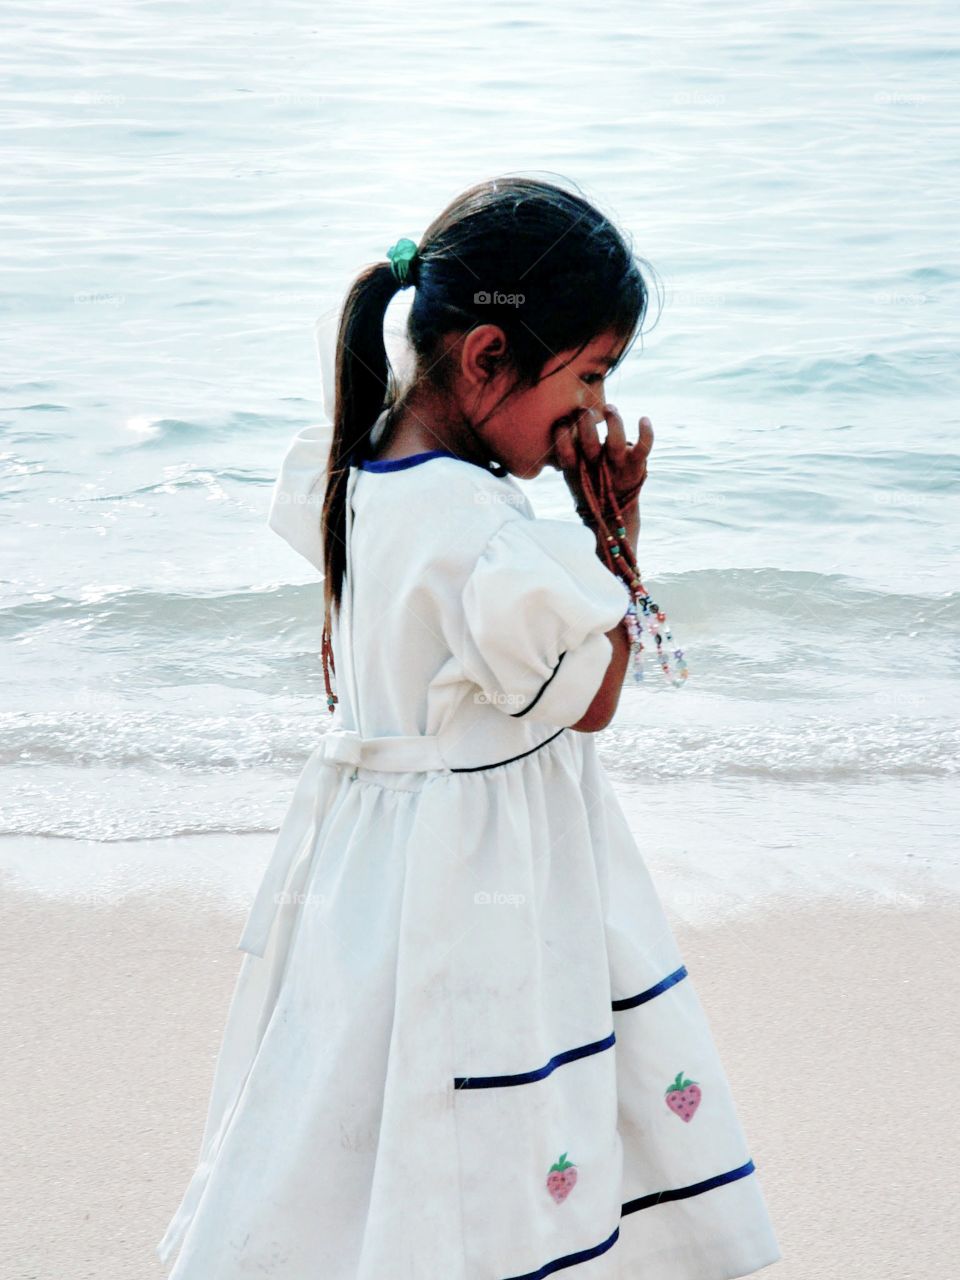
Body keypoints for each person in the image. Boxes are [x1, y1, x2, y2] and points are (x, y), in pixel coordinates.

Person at [156, 175, 781, 1279]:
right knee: (493, 1100)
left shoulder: (355, 468)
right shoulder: (488, 535)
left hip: (370, 869)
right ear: (489, 356)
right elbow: (593, 697)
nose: (592, 412)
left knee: (364, 1093)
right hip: (482, 875)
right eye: (588, 376)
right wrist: (614, 535)